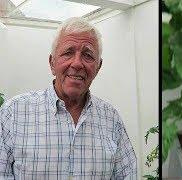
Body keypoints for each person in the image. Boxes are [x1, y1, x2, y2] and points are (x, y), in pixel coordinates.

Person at [0, 17, 137, 179]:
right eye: (68, 52)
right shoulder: (13, 113)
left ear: (98, 67)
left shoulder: (111, 119)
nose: (77, 63)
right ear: (52, 63)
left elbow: (128, 175)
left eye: (88, 55)